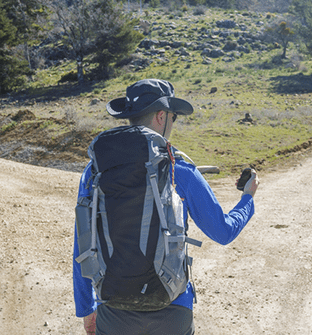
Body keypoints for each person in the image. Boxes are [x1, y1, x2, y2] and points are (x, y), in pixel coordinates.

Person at [73, 78, 259, 335]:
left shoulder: (94, 172)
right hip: (173, 308)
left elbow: (82, 243)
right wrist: (247, 199)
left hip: (113, 310)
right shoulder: (178, 169)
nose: (173, 123)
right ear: (161, 116)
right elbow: (223, 232)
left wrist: (86, 310)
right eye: (174, 117)